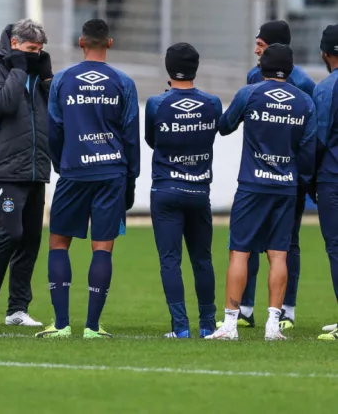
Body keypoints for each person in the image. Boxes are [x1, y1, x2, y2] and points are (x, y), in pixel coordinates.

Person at [36, 18, 140, 339]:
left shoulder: (63, 80)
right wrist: (130, 177)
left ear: (81, 43)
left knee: (58, 244)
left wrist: (60, 163)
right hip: (111, 172)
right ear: (108, 43)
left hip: (74, 170)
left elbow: (54, 128)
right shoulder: (123, 82)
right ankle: (93, 327)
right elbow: (130, 135)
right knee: (102, 249)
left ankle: (62, 324)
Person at [207, 44, 316, 341]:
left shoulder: (250, 93)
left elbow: (226, 126)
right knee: (279, 254)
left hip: (253, 184)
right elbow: (308, 150)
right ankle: (273, 325)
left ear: (262, 67)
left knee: (239, 251)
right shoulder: (305, 101)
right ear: (290, 69)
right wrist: (301, 180)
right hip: (286, 185)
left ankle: (230, 323)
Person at [0, 19, 53, 327]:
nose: (36, 54)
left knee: (31, 239)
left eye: (41, 50)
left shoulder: (36, 73)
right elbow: (2, 105)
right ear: (15, 44)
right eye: (32, 49)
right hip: (5, 168)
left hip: (36, 167)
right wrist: (19, 69)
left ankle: (17, 310)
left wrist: (46, 79)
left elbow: (53, 111)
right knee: (10, 234)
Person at [145, 43, 222, 339]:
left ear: (167, 67)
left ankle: (180, 327)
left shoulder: (156, 104)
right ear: (196, 67)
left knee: (170, 260)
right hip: (199, 190)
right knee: (202, 259)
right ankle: (207, 324)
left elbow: (153, 140)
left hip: (166, 188)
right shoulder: (212, 103)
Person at [312, 24, 338, 340]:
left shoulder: (326, 88)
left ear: (325, 53)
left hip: (333, 175)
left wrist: (308, 179)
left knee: (336, 247)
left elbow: (318, 139)